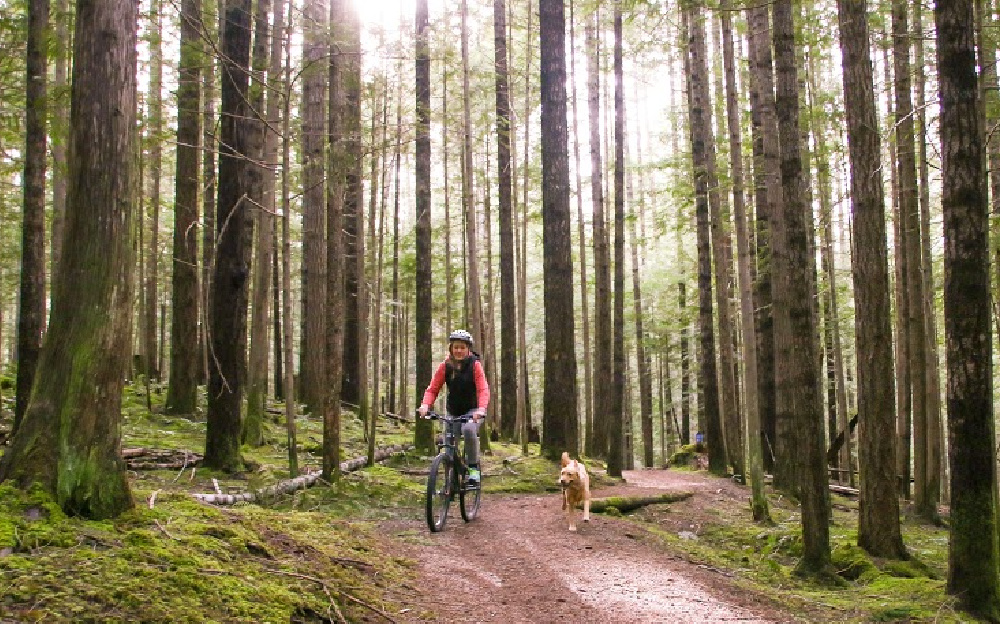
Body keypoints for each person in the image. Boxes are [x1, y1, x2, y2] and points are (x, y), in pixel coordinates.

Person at [418, 329, 490, 485]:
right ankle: (451, 479)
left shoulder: (475, 365)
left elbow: (483, 389)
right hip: (453, 412)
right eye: (456, 347)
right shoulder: (446, 366)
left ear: (468, 349)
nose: (458, 350)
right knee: (449, 444)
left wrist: (481, 409)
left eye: (462, 347)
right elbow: (432, 389)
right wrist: (425, 405)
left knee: (469, 430)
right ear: (451, 348)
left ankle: (473, 469)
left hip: (473, 411)